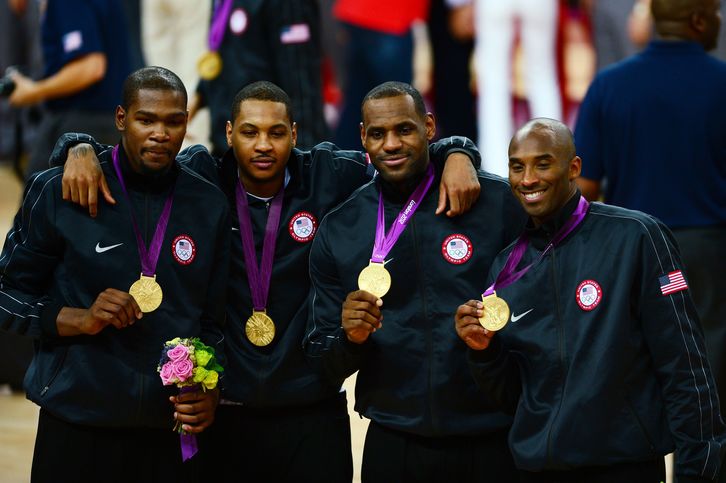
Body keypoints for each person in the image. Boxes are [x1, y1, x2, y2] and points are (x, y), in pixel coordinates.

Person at [54, 79, 482, 481]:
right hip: (224, 413)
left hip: (312, 414)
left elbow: (399, 157)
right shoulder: (200, 177)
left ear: (294, 134)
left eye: (276, 133)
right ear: (228, 132)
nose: (263, 145)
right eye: (249, 132)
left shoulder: (329, 175)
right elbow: (136, 157)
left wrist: (458, 152)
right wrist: (76, 145)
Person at [455, 118, 726, 482]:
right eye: (517, 167)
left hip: (623, 466)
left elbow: (685, 368)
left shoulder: (636, 236)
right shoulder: (506, 268)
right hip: (539, 468)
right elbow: (514, 396)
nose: (528, 179)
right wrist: (483, 352)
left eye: (543, 163)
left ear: (574, 168)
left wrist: (698, 472)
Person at [0, 66, 230, 482]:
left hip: (169, 433)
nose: (160, 133)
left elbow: (214, 322)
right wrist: (77, 319)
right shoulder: (62, 191)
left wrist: (212, 387)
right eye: (147, 120)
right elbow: (7, 294)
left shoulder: (207, 202)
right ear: (121, 118)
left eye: (174, 121)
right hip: (76, 425)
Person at [304, 81, 527, 482]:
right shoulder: (342, 228)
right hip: (395, 441)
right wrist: (349, 338)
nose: (391, 144)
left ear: (428, 127)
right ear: (362, 137)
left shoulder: (495, 203)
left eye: (404, 129)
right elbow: (322, 361)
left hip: (493, 435)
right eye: (378, 133)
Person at [574, 0, 726, 439]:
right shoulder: (722, 84)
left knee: (637, 373)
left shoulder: (609, 85)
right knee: (710, 381)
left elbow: (584, 187)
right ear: (699, 19)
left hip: (634, 252)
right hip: (708, 254)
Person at [8, 0, 131, 181]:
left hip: (82, 122)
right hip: (107, 120)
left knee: (39, 202)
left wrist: (32, 91)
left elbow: (90, 67)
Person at [192, 0, 327, 156]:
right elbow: (225, 50)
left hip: (268, 150)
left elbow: (301, 84)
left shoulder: (289, 4)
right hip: (229, 144)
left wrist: (305, 160)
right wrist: (200, 94)